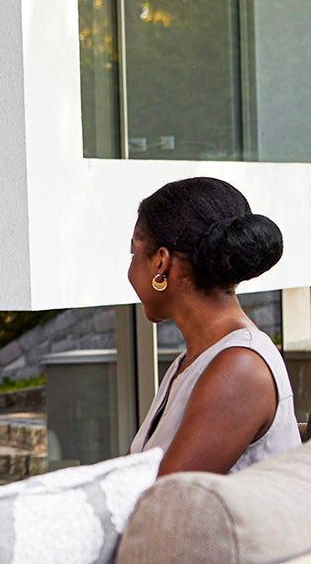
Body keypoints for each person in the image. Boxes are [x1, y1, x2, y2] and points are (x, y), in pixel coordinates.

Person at [126, 178, 301, 475]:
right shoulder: (195, 361)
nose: (130, 271)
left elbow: (167, 500)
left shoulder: (240, 367)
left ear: (161, 263)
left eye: (133, 254)